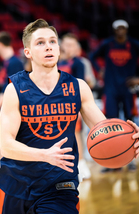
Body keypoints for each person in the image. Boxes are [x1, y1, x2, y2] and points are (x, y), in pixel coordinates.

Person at [0, 19, 139, 214]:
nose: (48, 47)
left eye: (52, 41)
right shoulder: (14, 90)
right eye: (40, 43)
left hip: (59, 185)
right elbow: (6, 146)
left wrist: (131, 138)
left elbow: (105, 129)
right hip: (15, 184)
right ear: (28, 52)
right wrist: (43, 155)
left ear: (59, 49)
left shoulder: (78, 87)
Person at [90, 19, 139, 172]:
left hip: (128, 88)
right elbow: (92, 56)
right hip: (110, 88)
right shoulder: (108, 44)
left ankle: (132, 159)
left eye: (123, 28)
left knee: (131, 121)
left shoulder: (134, 44)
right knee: (111, 122)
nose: (120, 31)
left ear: (127, 29)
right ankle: (113, 160)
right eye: (118, 28)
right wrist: (99, 70)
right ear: (114, 30)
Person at [0, 32, 24, 190]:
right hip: (11, 106)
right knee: (2, 141)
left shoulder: (13, 62)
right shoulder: (10, 62)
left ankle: (6, 178)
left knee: (5, 141)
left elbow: (11, 88)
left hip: (15, 108)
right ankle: (6, 177)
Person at [58, 33, 91, 180]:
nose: (67, 47)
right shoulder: (57, 62)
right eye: (66, 44)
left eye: (71, 45)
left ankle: (82, 164)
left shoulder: (78, 63)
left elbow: (80, 86)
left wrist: (77, 108)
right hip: (57, 105)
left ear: (77, 47)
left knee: (76, 134)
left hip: (72, 104)